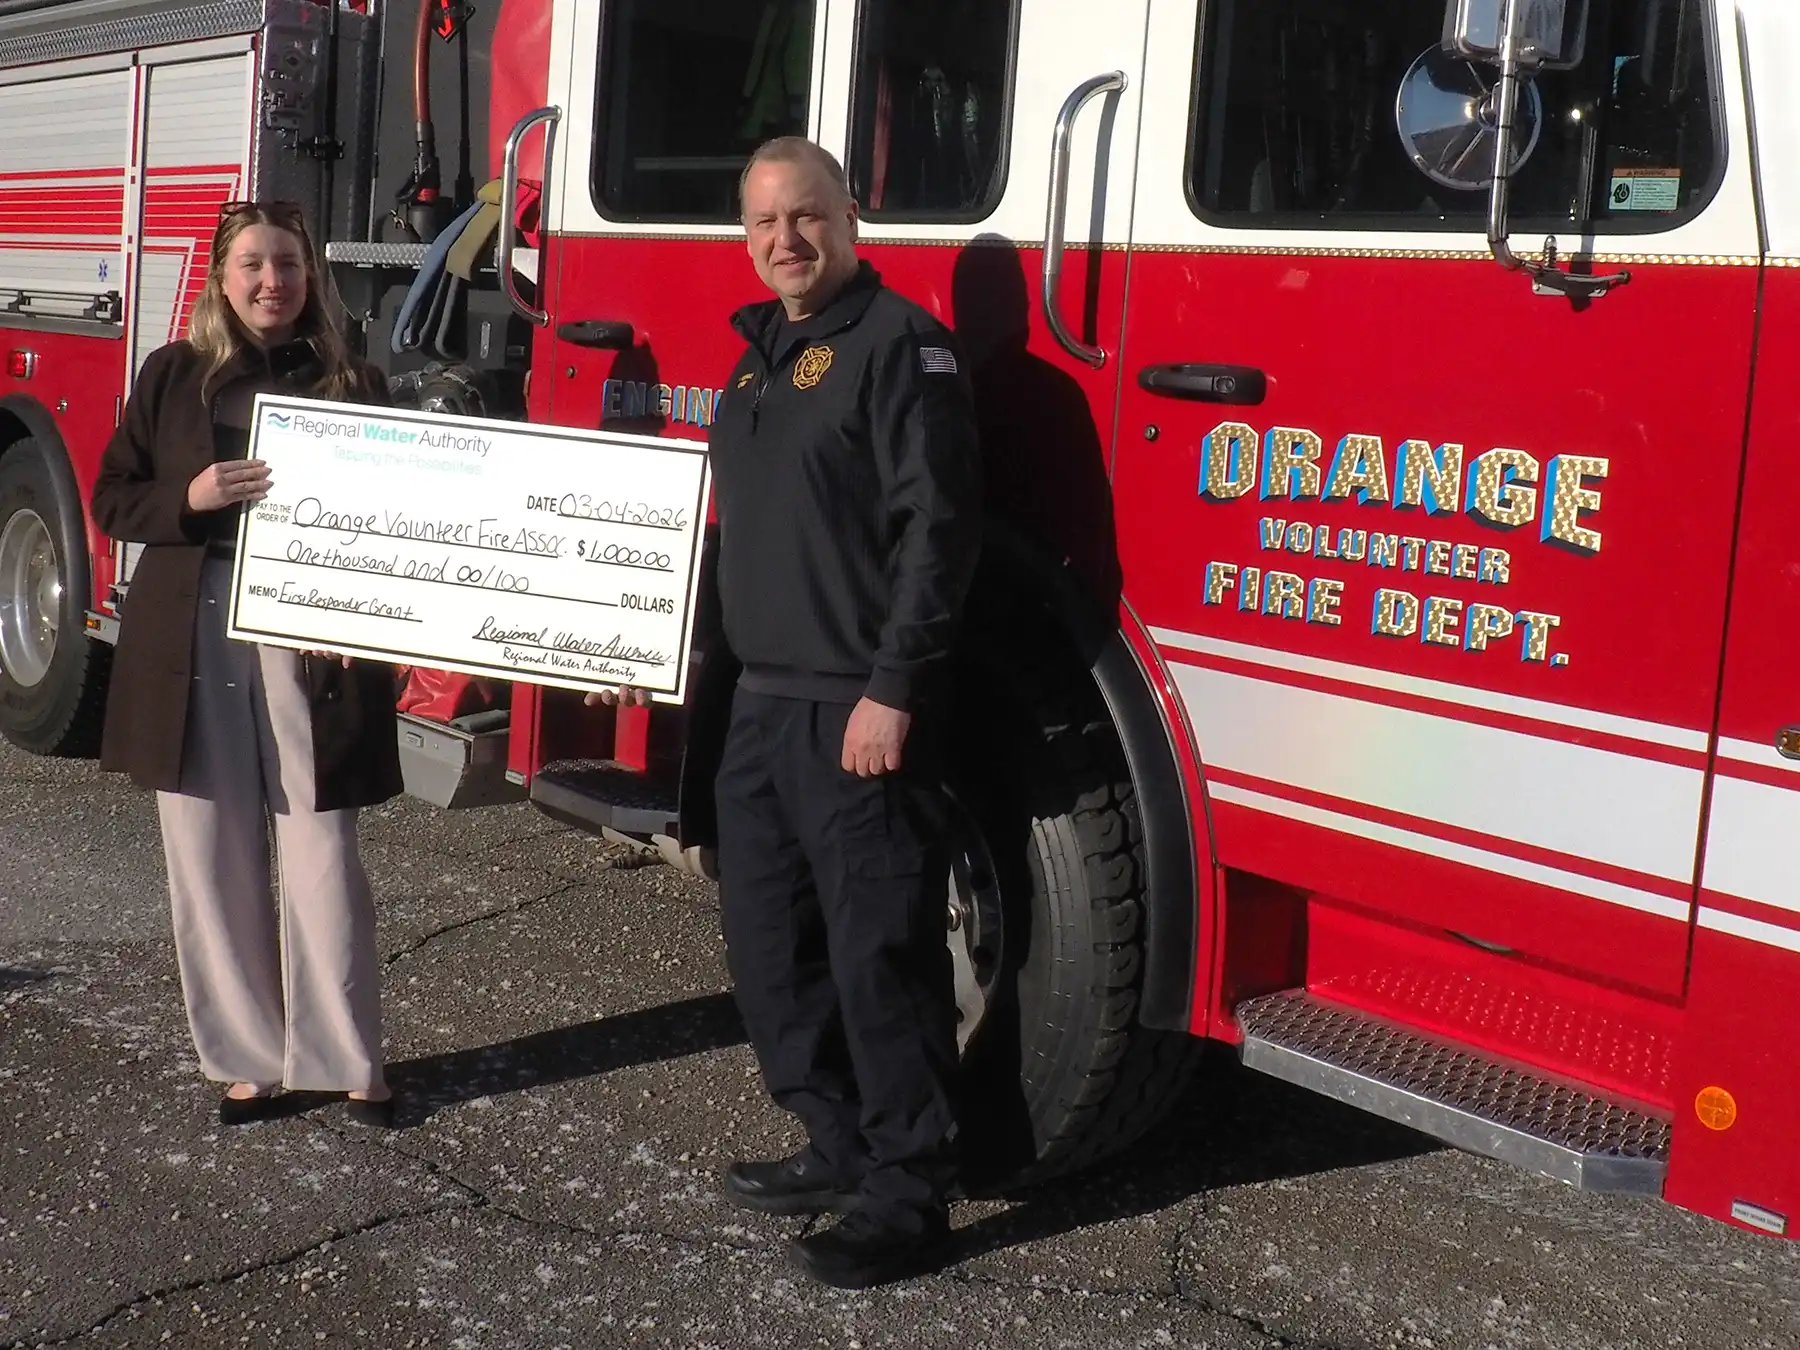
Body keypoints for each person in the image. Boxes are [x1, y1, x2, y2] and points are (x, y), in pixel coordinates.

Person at [677, 135, 980, 1288]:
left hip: (852, 711)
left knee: (878, 958)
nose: (785, 242)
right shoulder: (759, 363)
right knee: (770, 950)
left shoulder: (900, 348)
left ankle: (909, 1189)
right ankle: (837, 1139)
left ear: (850, 218)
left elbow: (936, 535)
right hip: (758, 708)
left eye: (805, 217)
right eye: (762, 226)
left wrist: (892, 688)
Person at [90, 201, 403, 1129]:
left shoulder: (354, 381)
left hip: (311, 643)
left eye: (291, 265)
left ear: (314, 278)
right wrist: (185, 497)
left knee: (321, 855)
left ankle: (351, 1059)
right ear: (222, 279)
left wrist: (371, 611)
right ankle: (248, 1060)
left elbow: (398, 520)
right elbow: (112, 497)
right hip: (188, 637)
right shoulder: (171, 376)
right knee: (208, 853)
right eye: (255, 265)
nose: (274, 282)